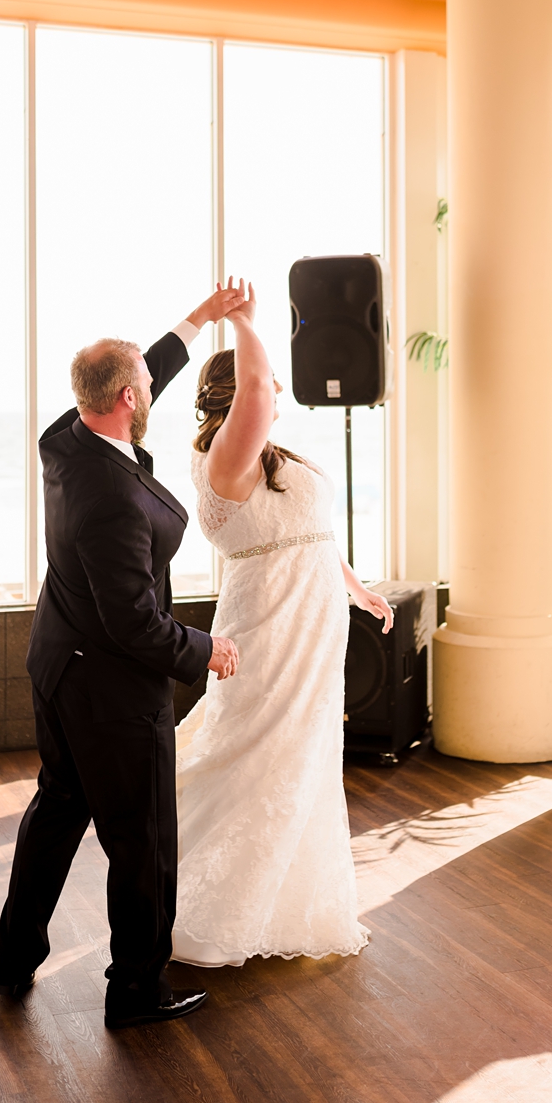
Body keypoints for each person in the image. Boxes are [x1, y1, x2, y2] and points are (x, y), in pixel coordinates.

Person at [0, 287, 242, 1030]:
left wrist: (199, 316)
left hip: (55, 667)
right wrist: (208, 649)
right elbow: (134, 624)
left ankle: (12, 960)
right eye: (145, 386)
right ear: (130, 398)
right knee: (142, 841)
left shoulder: (64, 439)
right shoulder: (111, 496)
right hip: (109, 692)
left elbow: (143, 370)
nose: (153, 391)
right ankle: (135, 988)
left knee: (59, 808)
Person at [171, 281, 392, 968]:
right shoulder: (223, 460)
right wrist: (245, 323)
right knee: (251, 759)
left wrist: (357, 591)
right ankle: (208, 914)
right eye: (258, 386)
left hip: (314, 631)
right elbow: (260, 392)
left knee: (301, 763)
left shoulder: (272, 459)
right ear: (238, 395)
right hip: (270, 632)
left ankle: (282, 910)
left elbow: (310, 533)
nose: (271, 394)